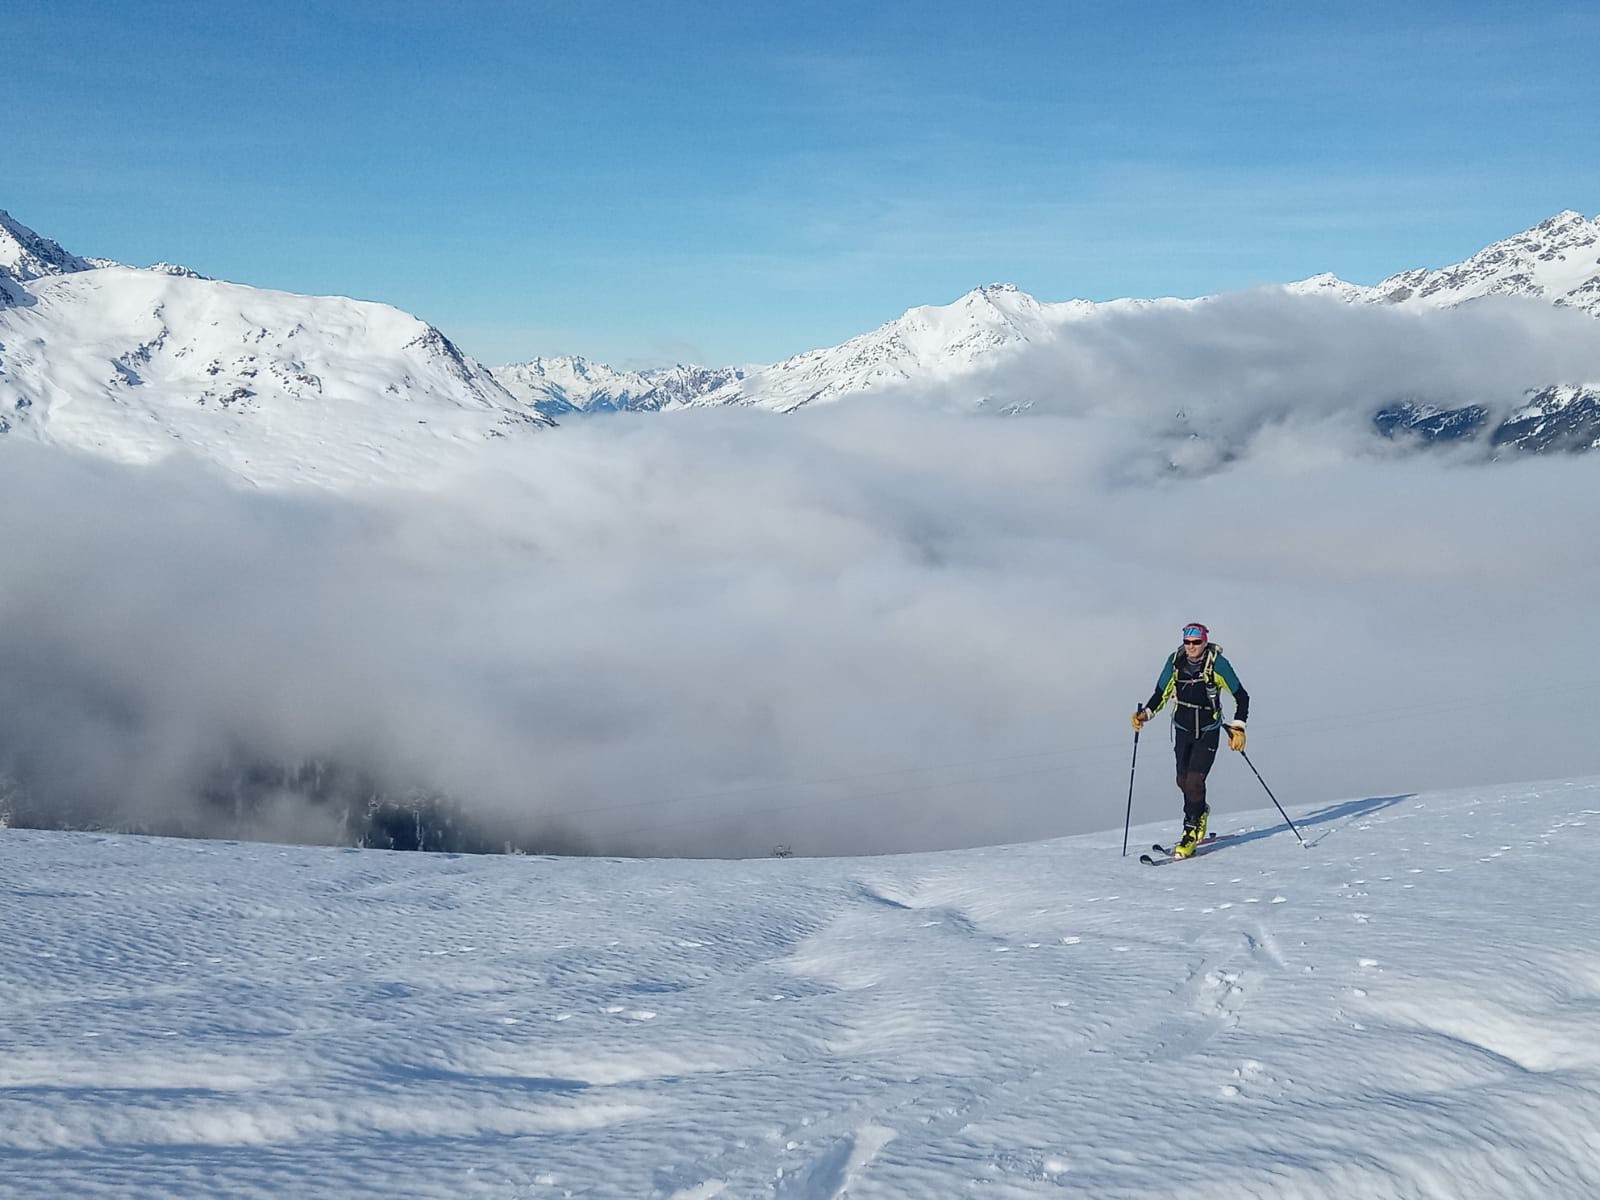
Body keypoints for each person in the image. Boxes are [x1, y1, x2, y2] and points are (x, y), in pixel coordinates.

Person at [1132, 623, 1249, 857]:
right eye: (1187, 642)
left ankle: (1191, 830)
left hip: (1208, 730)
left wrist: (1238, 727)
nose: (1191, 647)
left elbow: (1241, 696)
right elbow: (1161, 693)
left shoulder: (1218, 664)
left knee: (1195, 781)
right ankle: (1200, 811)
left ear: (1205, 642)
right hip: (1183, 729)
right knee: (1182, 780)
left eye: (1196, 642)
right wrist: (1145, 714)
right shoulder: (1175, 661)